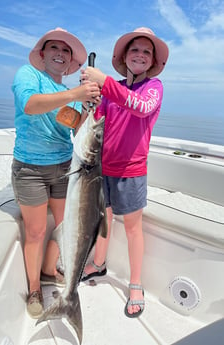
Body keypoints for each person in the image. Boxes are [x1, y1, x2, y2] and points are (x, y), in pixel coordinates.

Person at [11, 27, 101, 319]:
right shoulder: (29, 75)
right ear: (42, 54)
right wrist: (76, 92)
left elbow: (76, 128)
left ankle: (51, 271)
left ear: (71, 60)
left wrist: (88, 109)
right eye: (54, 49)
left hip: (65, 169)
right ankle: (35, 287)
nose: (60, 54)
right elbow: (30, 105)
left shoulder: (74, 95)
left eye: (66, 51)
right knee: (36, 232)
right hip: (30, 168)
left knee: (66, 229)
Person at [80, 27, 169, 318]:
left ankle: (135, 284)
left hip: (131, 170)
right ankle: (98, 263)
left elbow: (142, 108)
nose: (140, 55)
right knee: (104, 221)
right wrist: (88, 99)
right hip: (101, 168)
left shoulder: (154, 88)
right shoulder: (111, 89)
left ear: (153, 60)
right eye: (135, 50)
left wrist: (104, 82)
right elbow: (97, 119)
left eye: (146, 51)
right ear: (125, 56)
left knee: (132, 229)